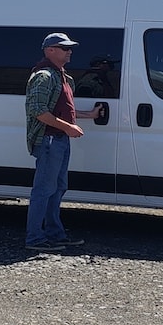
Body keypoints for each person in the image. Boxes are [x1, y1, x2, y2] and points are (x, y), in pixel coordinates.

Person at [24, 32, 102, 251]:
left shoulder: (61, 76)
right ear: (50, 50)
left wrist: (89, 115)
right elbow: (38, 111)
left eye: (70, 48)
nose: (70, 52)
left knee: (57, 187)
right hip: (49, 140)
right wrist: (68, 127)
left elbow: (62, 110)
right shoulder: (44, 76)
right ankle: (35, 239)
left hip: (58, 139)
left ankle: (54, 234)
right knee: (44, 190)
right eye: (64, 48)